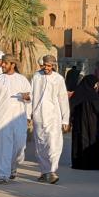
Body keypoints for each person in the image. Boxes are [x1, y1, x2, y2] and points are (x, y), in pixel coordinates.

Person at [0, 55, 31, 183]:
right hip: (1, 119)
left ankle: (12, 167)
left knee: (19, 147)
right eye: (2, 63)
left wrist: (27, 102)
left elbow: (31, 99)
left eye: (5, 63)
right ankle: (2, 175)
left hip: (19, 119)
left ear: (12, 65)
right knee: (2, 148)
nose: (2, 65)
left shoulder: (22, 80)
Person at [31, 54, 70, 184]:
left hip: (54, 117)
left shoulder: (58, 79)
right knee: (41, 145)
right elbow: (31, 95)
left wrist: (65, 120)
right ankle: (44, 172)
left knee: (54, 144)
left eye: (49, 66)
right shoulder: (36, 77)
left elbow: (63, 99)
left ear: (53, 66)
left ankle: (52, 171)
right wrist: (28, 114)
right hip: (38, 116)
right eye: (45, 65)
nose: (46, 68)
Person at [70, 74, 99, 170]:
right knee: (91, 140)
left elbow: (71, 107)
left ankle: (79, 163)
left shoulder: (77, 93)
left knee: (79, 140)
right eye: (95, 84)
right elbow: (98, 109)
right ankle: (91, 163)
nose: (95, 86)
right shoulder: (93, 94)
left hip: (78, 123)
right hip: (92, 123)